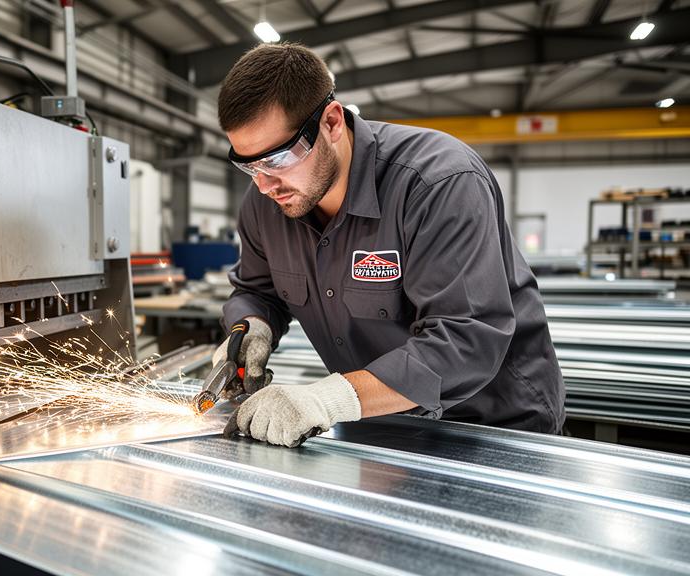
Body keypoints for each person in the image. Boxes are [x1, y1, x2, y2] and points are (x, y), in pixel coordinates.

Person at [214, 43, 564, 447]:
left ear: (331, 123)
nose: (264, 184)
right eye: (249, 165)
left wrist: (330, 398)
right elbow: (258, 291)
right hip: (378, 422)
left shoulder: (438, 183)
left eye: (277, 159)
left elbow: (466, 339)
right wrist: (253, 326)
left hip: (492, 428)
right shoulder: (266, 202)